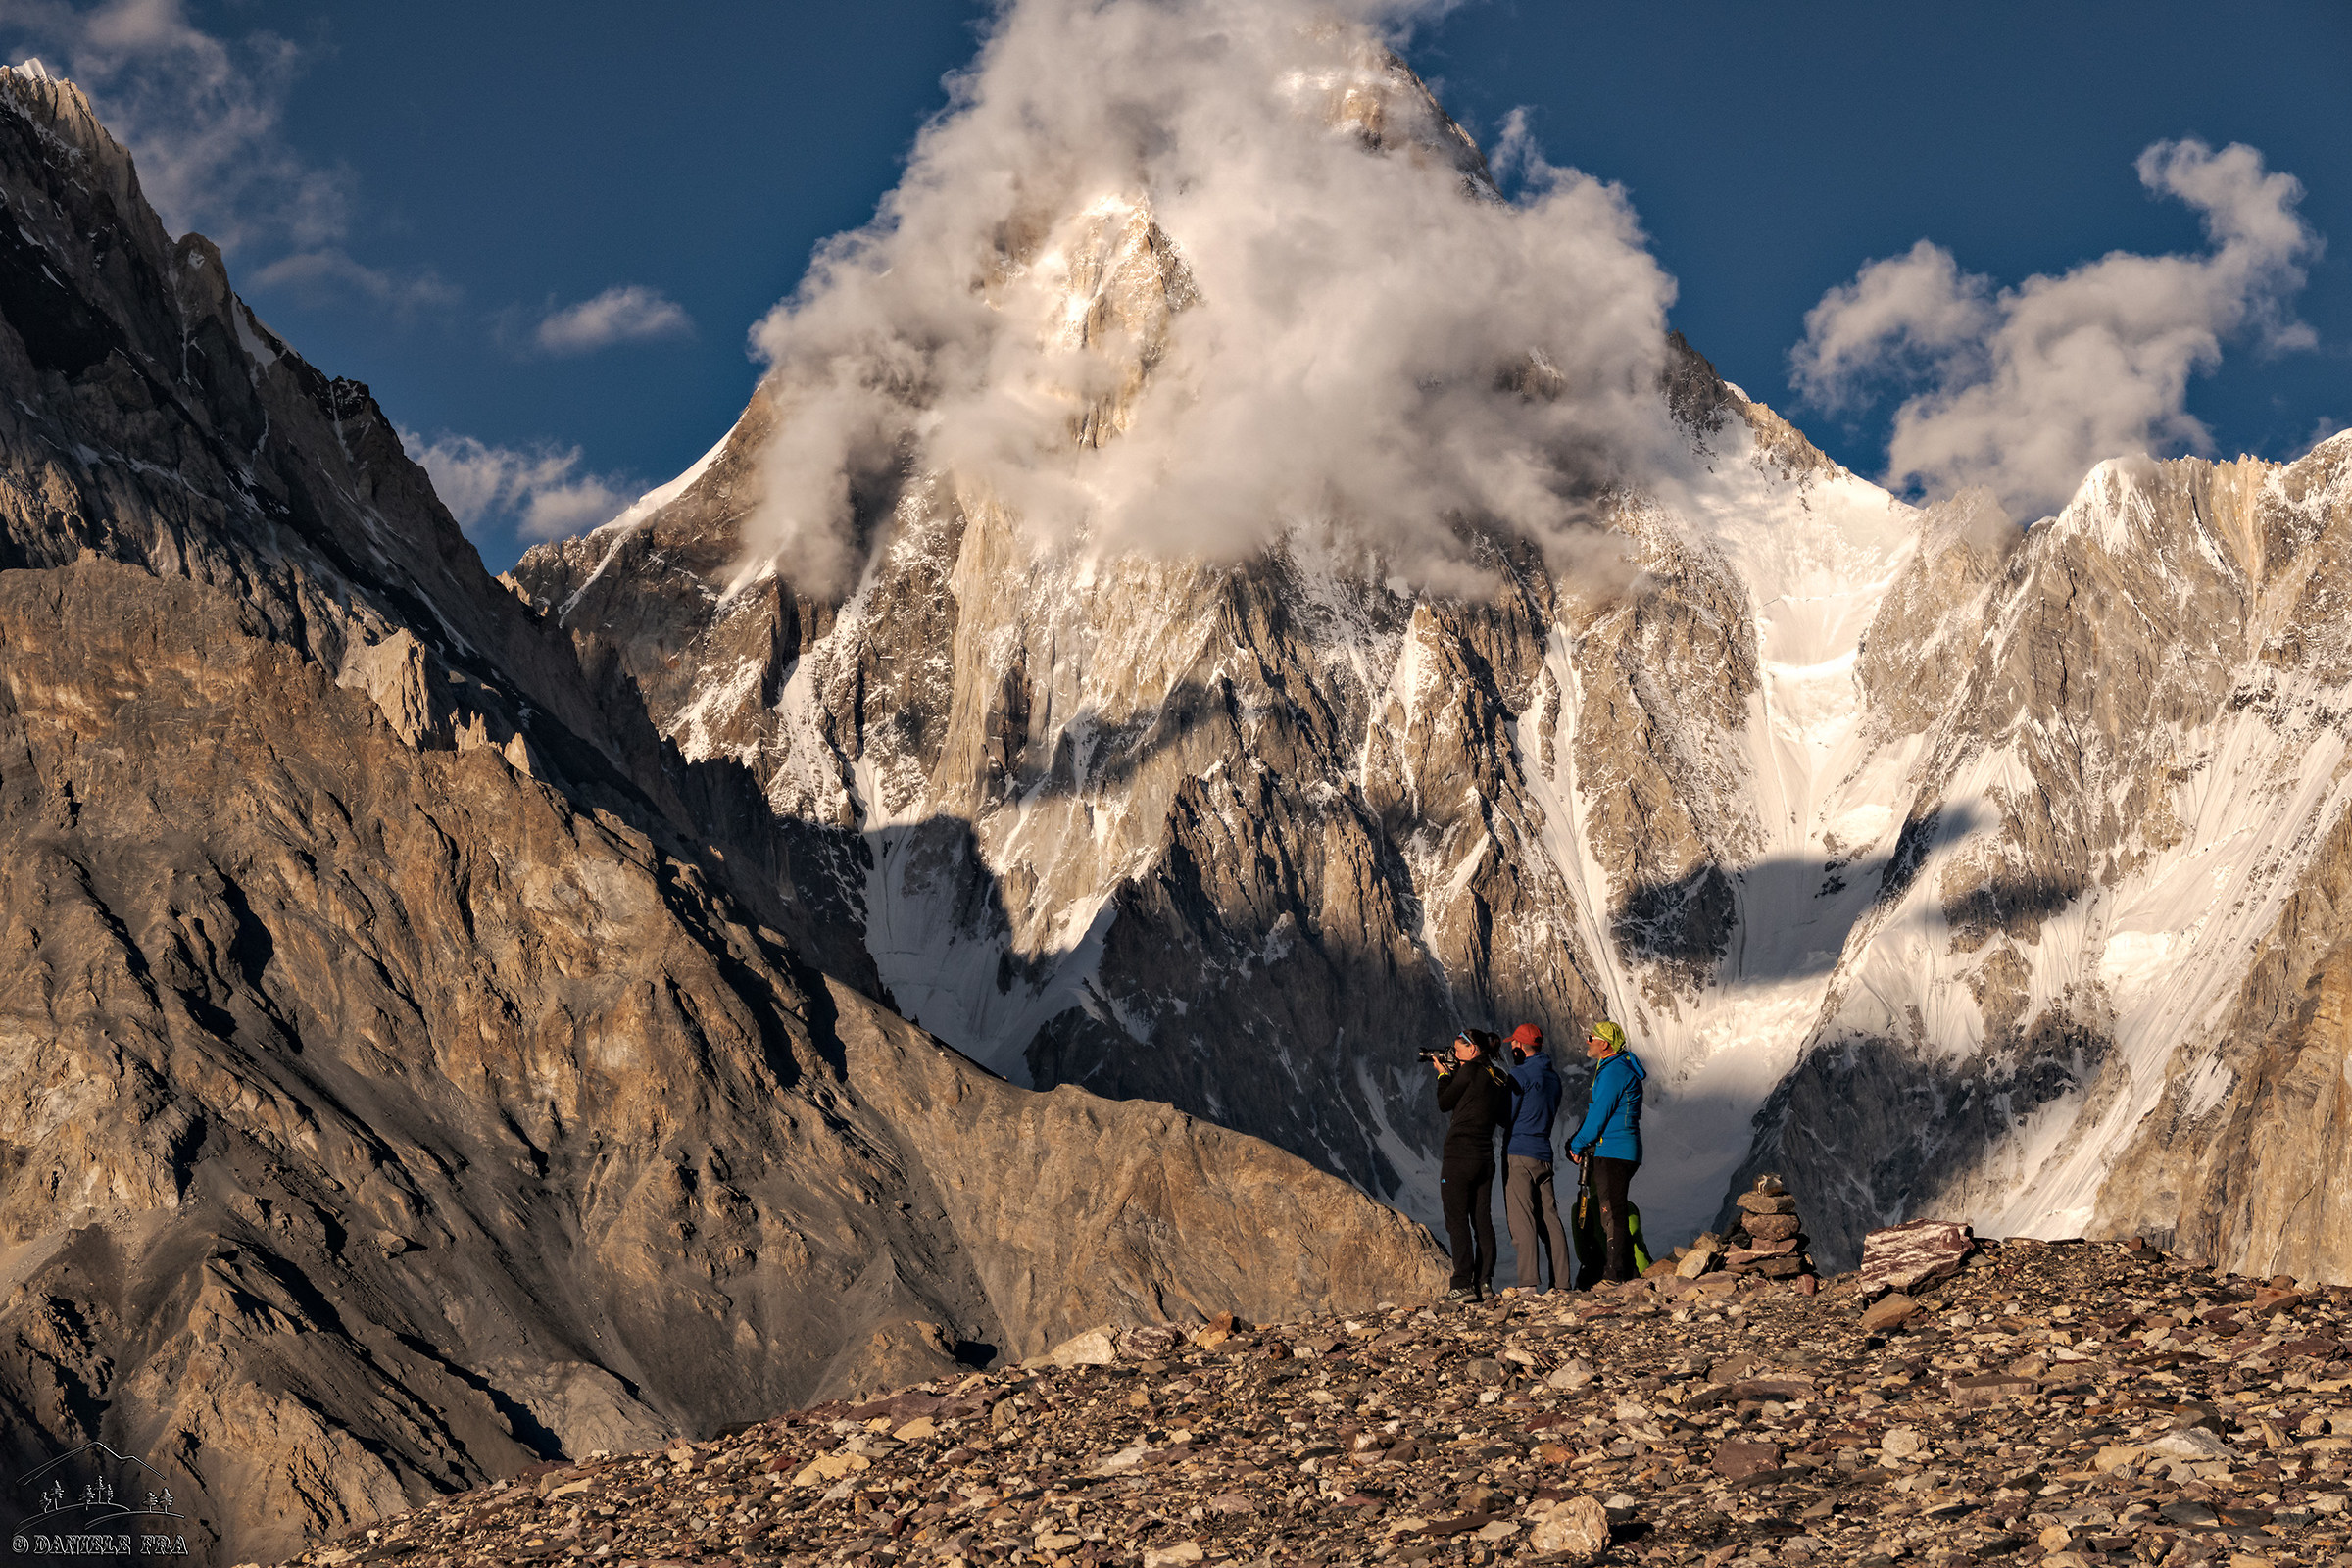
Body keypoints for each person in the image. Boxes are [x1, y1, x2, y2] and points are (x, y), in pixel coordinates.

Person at [1431, 1027, 1511, 1301]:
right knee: (1482, 1221)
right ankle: (1484, 1282)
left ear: (1473, 1049)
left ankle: (1462, 1283)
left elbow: (1445, 1103)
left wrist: (1443, 1075)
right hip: (1485, 1157)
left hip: (1459, 1156)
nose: (1454, 1054)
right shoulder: (1497, 1076)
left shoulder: (1469, 1072)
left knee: (1457, 1220)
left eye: (1458, 1049)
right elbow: (1501, 1115)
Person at [1566, 1020, 1646, 1284]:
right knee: (1613, 1211)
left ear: (1605, 1044)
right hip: (1619, 1148)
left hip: (1614, 1149)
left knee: (1612, 1212)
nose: (1588, 1042)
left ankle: (1614, 1275)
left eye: (1592, 1037)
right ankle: (1630, 1273)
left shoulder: (1614, 1072)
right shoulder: (1616, 1067)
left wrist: (1577, 1144)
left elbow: (1599, 1114)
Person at [1500, 1023, 1573, 1293]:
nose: (1511, 1047)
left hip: (1519, 1152)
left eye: (1513, 1044)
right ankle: (1563, 1283)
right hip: (1544, 1153)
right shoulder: (1553, 1077)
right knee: (1550, 1218)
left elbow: (1506, 1115)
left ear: (1520, 1047)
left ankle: (1528, 1283)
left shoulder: (1520, 1074)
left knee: (1523, 1219)